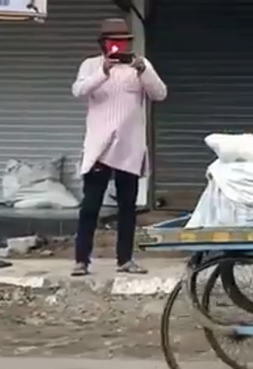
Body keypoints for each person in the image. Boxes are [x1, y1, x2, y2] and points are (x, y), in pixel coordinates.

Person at [71, 18, 167, 277]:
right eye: (114, 42)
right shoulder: (90, 65)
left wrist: (142, 70)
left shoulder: (141, 64)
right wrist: (102, 71)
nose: (118, 46)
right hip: (99, 147)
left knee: (127, 207)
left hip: (129, 147)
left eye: (123, 42)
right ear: (103, 43)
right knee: (90, 206)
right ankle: (81, 261)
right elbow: (78, 91)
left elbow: (160, 93)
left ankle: (125, 259)